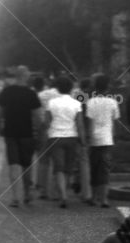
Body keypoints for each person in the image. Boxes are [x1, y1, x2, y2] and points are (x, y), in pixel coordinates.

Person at [0, 65, 42, 207]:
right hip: (27, 133)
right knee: (26, 165)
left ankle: (16, 197)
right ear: (26, 77)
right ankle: (27, 192)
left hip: (10, 132)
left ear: (16, 76)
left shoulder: (7, 92)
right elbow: (37, 116)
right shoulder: (31, 94)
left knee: (13, 164)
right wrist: (39, 132)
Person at [46, 75, 85, 208]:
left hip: (55, 136)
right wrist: (83, 140)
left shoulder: (51, 103)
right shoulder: (76, 103)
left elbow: (47, 122)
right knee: (68, 168)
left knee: (58, 167)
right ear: (71, 88)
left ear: (57, 88)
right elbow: (79, 124)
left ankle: (62, 195)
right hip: (71, 137)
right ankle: (64, 192)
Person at [84, 74, 120, 207]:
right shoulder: (113, 102)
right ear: (108, 87)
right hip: (107, 140)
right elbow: (115, 123)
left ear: (95, 87)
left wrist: (88, 138)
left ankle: (94, 198)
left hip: (94, 140)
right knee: (105, 170)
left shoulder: (91, 102)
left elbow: (90, 122)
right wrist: (115, 137)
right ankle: (104, 199)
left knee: (94, 169)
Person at [36, 74, 61, 199]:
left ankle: (43, 191)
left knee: (43, 160)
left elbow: (38, 113)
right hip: (60, 130)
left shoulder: (41, 95)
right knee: (58, 161)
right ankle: (56, 192)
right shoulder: (65, 95)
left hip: (44, 130)